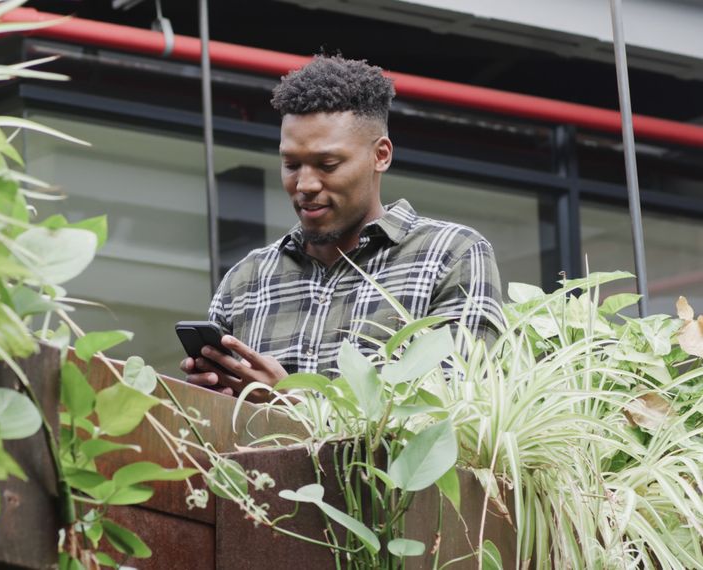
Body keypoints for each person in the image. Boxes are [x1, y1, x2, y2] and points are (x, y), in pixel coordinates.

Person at [181, 56, 503, 402]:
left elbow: (458, 412)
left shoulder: (451, 255)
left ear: (380, 155)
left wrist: (295, 405)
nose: (304, 184)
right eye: (290, 164)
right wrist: (204, 401)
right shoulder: (246, 280)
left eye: (327, 165)